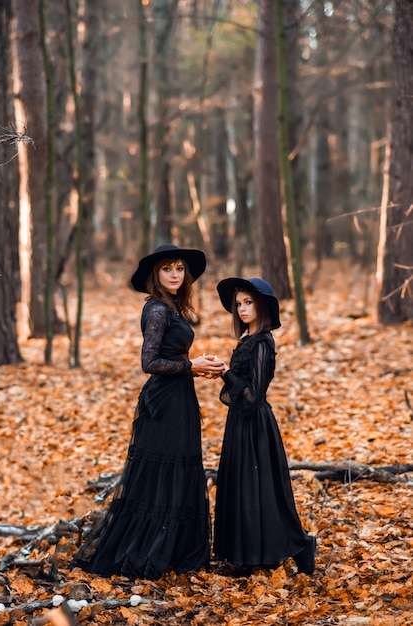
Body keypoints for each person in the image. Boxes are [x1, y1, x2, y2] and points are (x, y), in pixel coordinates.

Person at [71, 244, 225, 580]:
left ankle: (175, 549)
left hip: (180, 396)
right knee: (161, 474)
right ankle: (149, 550)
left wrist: (199, 367)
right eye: (167, 269)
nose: (174, 275)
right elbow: (149, 363)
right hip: (162, 403)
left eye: (179, 269)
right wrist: (190, 365)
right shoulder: (156, 309)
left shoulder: (173, 307)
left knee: (181, 469)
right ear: (156, 274)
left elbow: (175, 357)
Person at [213, 277, 316, 576]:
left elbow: (252, 395)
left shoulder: (262, 343)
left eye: (249, 302)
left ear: (262, 306)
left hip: (255, 424)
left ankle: (299, 546)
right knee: (245, 489)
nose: (242, 309)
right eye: (239, 304)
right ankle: (249, 556)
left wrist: (225, 373)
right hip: (241, 423)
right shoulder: (247, 340)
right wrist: (225, 373)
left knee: (259, 492)